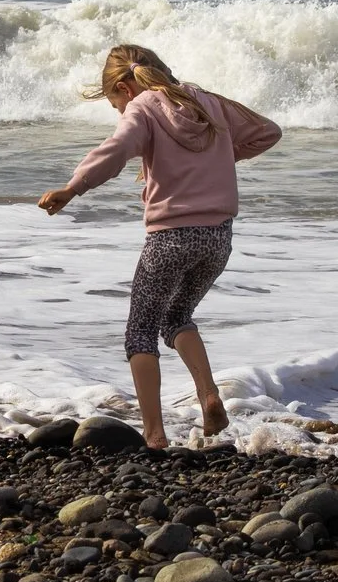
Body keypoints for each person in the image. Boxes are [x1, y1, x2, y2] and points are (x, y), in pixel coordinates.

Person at [38, 44, 280, 448]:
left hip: (170, 238)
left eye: (115, 104)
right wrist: (218, 158)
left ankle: (154, 433)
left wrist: (72, 187)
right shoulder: (209, 103)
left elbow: (116, 151)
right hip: (218, 237)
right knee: (177, 316)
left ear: (123, 87)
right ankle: (208, 394)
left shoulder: (144, 106)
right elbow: (268, 132)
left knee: (140, 331)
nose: (118, 111)